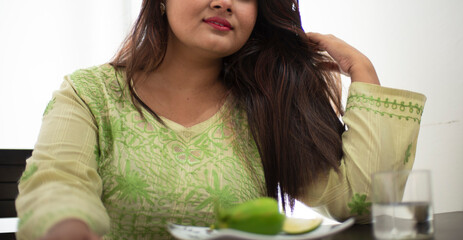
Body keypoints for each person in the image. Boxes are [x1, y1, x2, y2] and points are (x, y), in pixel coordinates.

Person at [15, 0, 426, 239]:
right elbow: (57, 181)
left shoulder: (269, 105)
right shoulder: (91, 93)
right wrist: (66, 228)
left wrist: (363, 72)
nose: (225, 1)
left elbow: (364, 202)